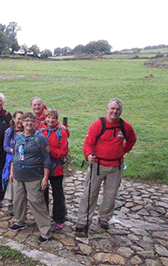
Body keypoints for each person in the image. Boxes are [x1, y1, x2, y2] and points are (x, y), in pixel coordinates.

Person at [76, 98, 137, 233]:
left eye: (118, 109)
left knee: (111, 194)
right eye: (113, 108)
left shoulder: (125, 126)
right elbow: (88, 143)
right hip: (97, 165)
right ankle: (83, 221)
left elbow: (132, 139)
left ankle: (104, 218)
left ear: (121, 111)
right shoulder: (98, 124)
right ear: (107, 109)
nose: (115, 112)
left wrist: (125, 150)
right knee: (90, 193)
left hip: (116, 166)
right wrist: (88, 155)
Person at [9, 112, 52, 243]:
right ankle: (20, 221)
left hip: (34, 177)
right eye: (26, 120)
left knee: (36, 202)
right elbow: (15, 156)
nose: (28, 123)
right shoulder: (19, 137)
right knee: (19, 200)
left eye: (31, 121)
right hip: (18, 175)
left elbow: (46, 159)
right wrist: (11, 172)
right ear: (21, 122)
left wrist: (45, 178)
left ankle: (45, 231)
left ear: (35, 123)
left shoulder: (40, 138)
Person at [40, 109, 69, 230]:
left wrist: (51, 151)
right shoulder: (40, 130)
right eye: (48, 118)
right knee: (43, 193)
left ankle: (59, 217)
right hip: (42, 168)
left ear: (56, 119)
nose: (50, 120)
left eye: (53, 118)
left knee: (58, 194)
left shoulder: (61, 132)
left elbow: (63, 151)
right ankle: (44, 216)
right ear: (45, 118)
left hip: (56, 168)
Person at [2, 110, 24, 216]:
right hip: (11, 158)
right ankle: (10, 203)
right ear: (14, 119)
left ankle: (20, 203)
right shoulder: (9, 131)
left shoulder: (27, 131)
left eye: (22, 119)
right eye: (18, 118)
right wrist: (14, 150)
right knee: (11, 181)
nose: (20, 121)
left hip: (24, 159)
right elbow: (5, 146)